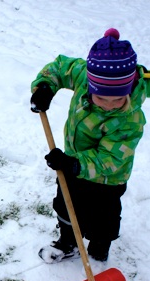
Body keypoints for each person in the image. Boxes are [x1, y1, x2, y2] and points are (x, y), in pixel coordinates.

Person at [30, 28, 150, 263]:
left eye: (118, 98)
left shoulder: (130, 119)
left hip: (107, 179)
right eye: (102, 97)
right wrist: (45, 87)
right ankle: (68, 243)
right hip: (73, 164)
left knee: (103, 219)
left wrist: (73, 163)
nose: (109, 105)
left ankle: (98, 249)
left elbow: (111, 159)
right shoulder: (84, 76)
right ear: (90, 85)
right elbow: (59, 68)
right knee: (66, 205)